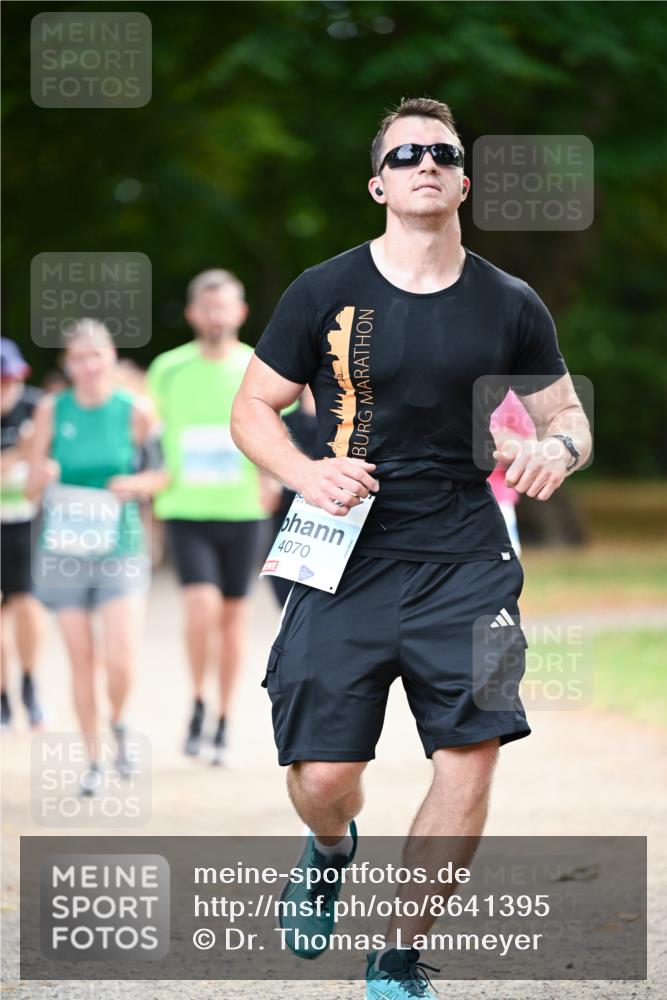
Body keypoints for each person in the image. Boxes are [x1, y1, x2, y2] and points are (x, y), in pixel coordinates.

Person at [231, 97, 591, 998]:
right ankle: (326, 848)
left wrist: (556, 450)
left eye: (442, 153)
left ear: (463, 179)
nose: (424, 164)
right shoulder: (322, 290)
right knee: (322, 775)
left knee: (470, 751)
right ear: (377, 183)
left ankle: (393, 959)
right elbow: (252, 410)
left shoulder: (509, 302)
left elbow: (568, 420)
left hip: (467, 557)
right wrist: (302, 473)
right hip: (341, 549)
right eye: (405, 155)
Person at [27, 319, 165, 795]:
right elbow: (28, 487)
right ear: (67, 364)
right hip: (63, 550)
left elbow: (162, 474)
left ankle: (120, 721)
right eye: (79, 358)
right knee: (81, 657)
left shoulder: (136, 410)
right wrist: (41, 477)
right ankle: (93, 761)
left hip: (120, 548)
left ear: (110, 358)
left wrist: (136, 485)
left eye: (97, 356)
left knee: (119, 655)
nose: (88, 366)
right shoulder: (51, 409)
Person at [147, 270, 278, 765]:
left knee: (233, 618)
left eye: (224, 306)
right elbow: (148, 433)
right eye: (207, 307)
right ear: (192, 314)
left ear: (240, 313)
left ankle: (223, 717)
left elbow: (276, 431)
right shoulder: (168, 368)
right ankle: (197, 699)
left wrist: (271, 476)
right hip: (185, 508)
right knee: (200, 608)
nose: (216, 315)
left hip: (243, 510)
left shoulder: (257, 365)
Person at [1, 339, 44, 730]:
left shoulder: (36, 406)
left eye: (11, 379)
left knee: (26, 603)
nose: (7, 388)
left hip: (27, 522)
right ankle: (2, 694)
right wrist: (20, 454)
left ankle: (30, 682)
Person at [488, 389, 536, 555]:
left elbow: (531, 442)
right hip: (441, 495)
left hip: (498, 496)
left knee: (504, 562)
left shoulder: (502, 393)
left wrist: (505, 440)